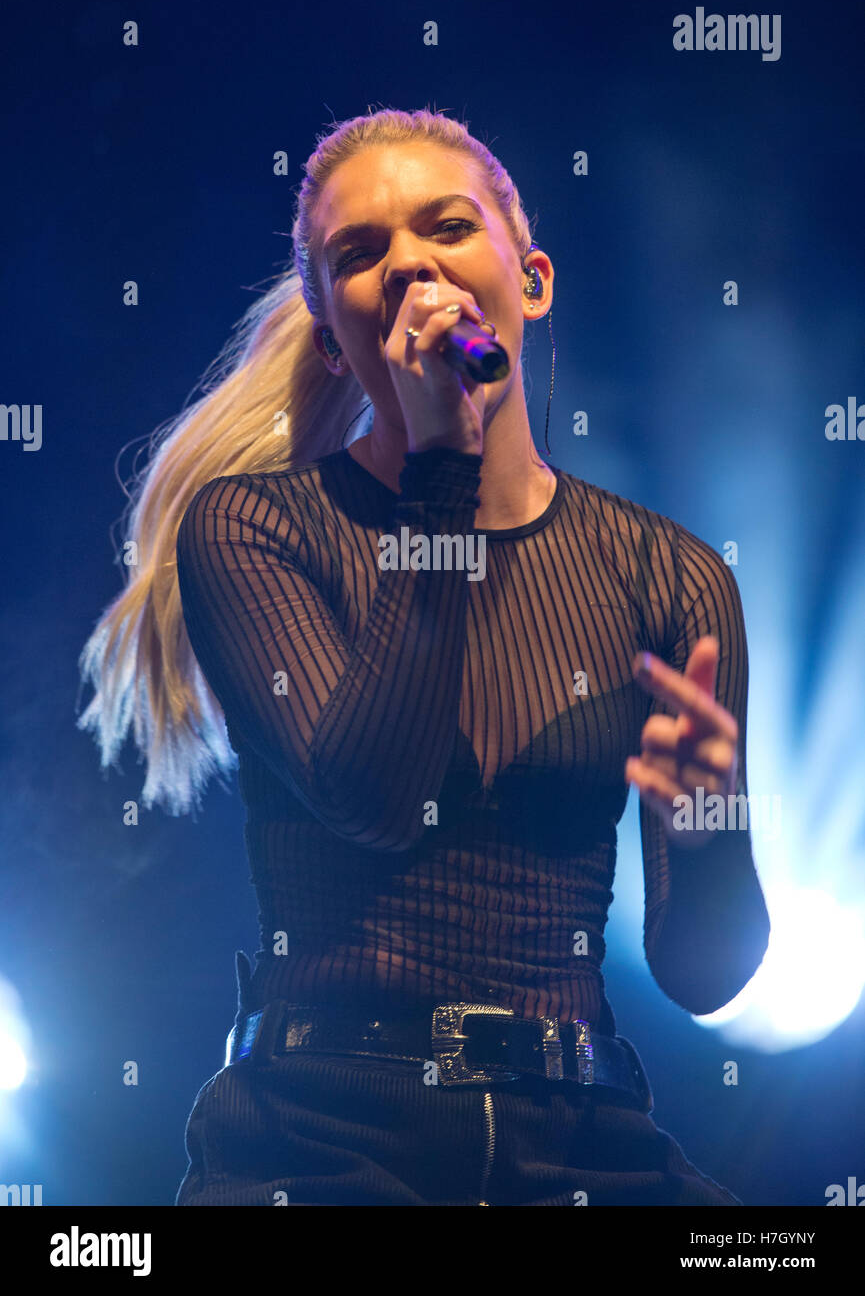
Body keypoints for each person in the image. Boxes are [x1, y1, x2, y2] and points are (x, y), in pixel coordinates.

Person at [78, 106, 771, 1206]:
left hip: (582, 1138)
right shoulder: (256, 529)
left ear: (529, 280)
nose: (408, 263)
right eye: (359, 253)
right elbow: (374, 796)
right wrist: (442, 465)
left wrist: (714, 819)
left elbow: (706, 975)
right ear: (329, 323)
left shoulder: (669, 575)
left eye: (443, 226)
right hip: (321, 1133)